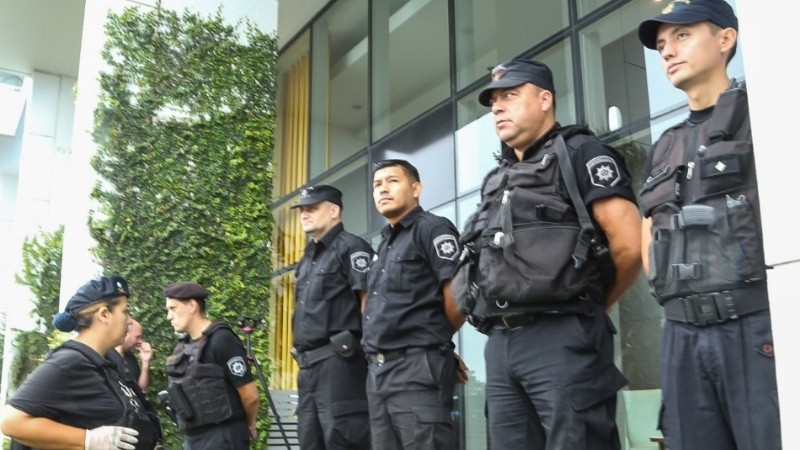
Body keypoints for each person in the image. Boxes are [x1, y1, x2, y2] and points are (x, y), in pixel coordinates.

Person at [463, 58, 641, 449]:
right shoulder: (496, 179)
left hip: (562, 335)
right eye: (494, 100)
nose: (497, 106)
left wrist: (598, 301)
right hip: (501, 342)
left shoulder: (583, 153)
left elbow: (629, 244)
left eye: (510, 95)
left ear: (545, 99)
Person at [637, 1, 781, 448]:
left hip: (753, 326)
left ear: (725, 39)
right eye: (661, 44)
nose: (667, 52)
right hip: (681, 334)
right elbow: (649, 237)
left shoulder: (767, 117)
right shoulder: (665, 146)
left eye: (682, 36)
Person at [363, 159, 467, 450]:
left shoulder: (432, 228)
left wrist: (434, 344)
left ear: (416, 188)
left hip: (415, 369)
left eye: (392, 181)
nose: (383, 189)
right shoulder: (384, 243)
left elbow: (458, 296)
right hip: (379, 372)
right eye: (377, 185)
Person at [0, 275, 163, 450]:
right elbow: (11, 421)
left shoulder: (105, 362)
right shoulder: (68, 362)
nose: (129, 320)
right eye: (125, 311)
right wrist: (88, 439)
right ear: (104, 314)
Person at [289, 184, 373, 449]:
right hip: (308, 368)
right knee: (310, 442)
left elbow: (370, 305)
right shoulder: (307, 257)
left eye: (312, 208)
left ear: (334, 211)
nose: (305, 214)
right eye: (302, 209)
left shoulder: (352, 248)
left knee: (344, 440)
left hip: (341, 365)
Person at [164, 281, 260, 449]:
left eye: (173, 308)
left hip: (223, 438)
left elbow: (250, 396)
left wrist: (249, 423)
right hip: (193, 440)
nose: (169, 316)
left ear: (192, 306)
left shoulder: (222, 339)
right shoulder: (182, 346)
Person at [108, 319, 153, 392]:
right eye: (137, 337)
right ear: (125, 333)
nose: (140, 341)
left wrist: (145, 362)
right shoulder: (106, 357)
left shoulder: (130, 357)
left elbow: (142, 391)